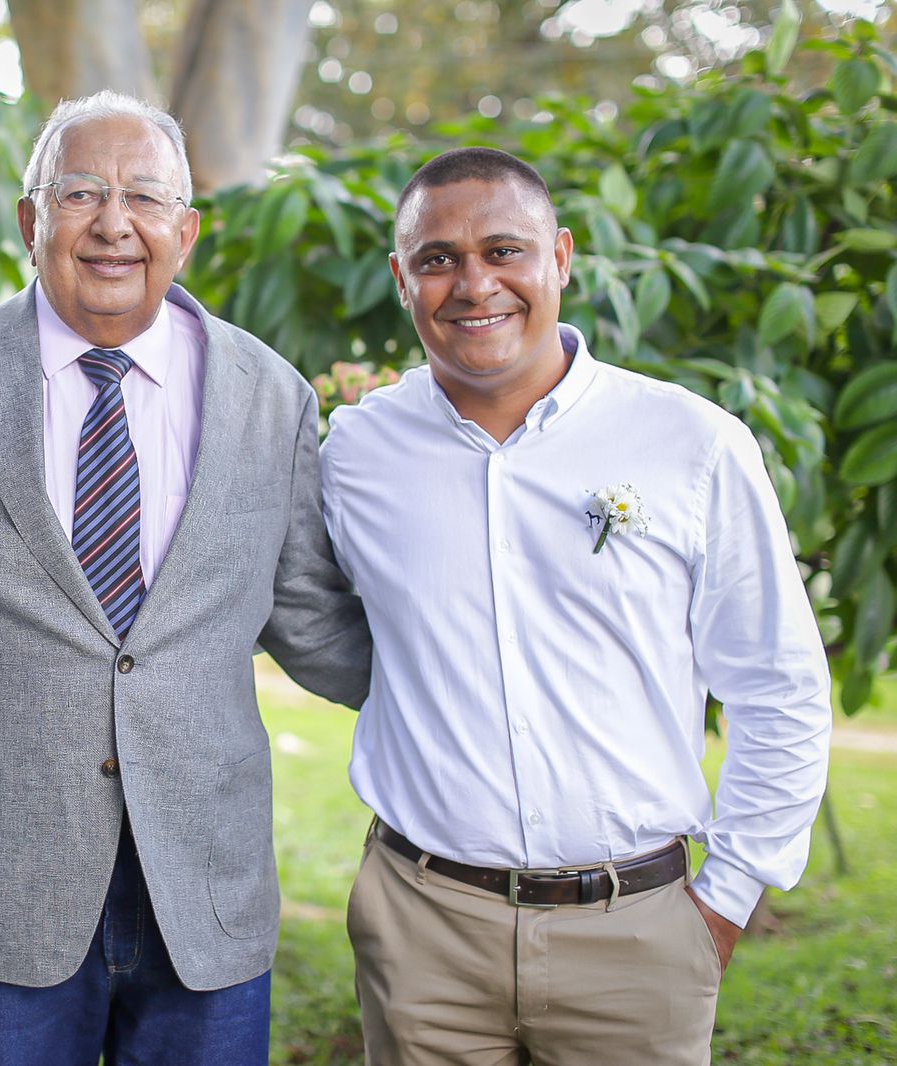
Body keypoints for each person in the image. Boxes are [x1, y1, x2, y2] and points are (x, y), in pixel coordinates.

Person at [0, 90, 371, 1065]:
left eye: (142, 196)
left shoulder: (270, 397)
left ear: (187, 229)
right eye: (81, 192)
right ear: (28, 219)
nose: (112, 222)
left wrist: (477, 674)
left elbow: (306, 619)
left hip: (204, 892)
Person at [319, 146, 833, 1065]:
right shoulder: (355, 453)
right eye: (438, 259)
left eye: (504, 251)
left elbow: (779, 687)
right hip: (422, 931)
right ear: (402, 279)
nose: (474, 284)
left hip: (638, 935)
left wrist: (726, 901)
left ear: (560, 257)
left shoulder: (693, 444)